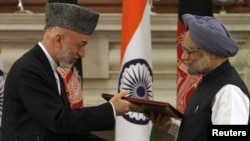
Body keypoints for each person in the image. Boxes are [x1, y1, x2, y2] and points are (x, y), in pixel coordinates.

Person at [1, 3, 138, 141]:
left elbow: (70, 132)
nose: (83, 54)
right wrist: (111, 109)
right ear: (58, 40)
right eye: (80, 45)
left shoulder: (50, 69)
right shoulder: (29, 70)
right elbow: (59, 120)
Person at [146, 14, 250, 141]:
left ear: (212, 53)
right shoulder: (208, 81)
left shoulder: (229, 92)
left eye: (189, 51)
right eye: (183, 49)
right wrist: (171, 126)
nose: (183, 57)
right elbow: (203, 133)